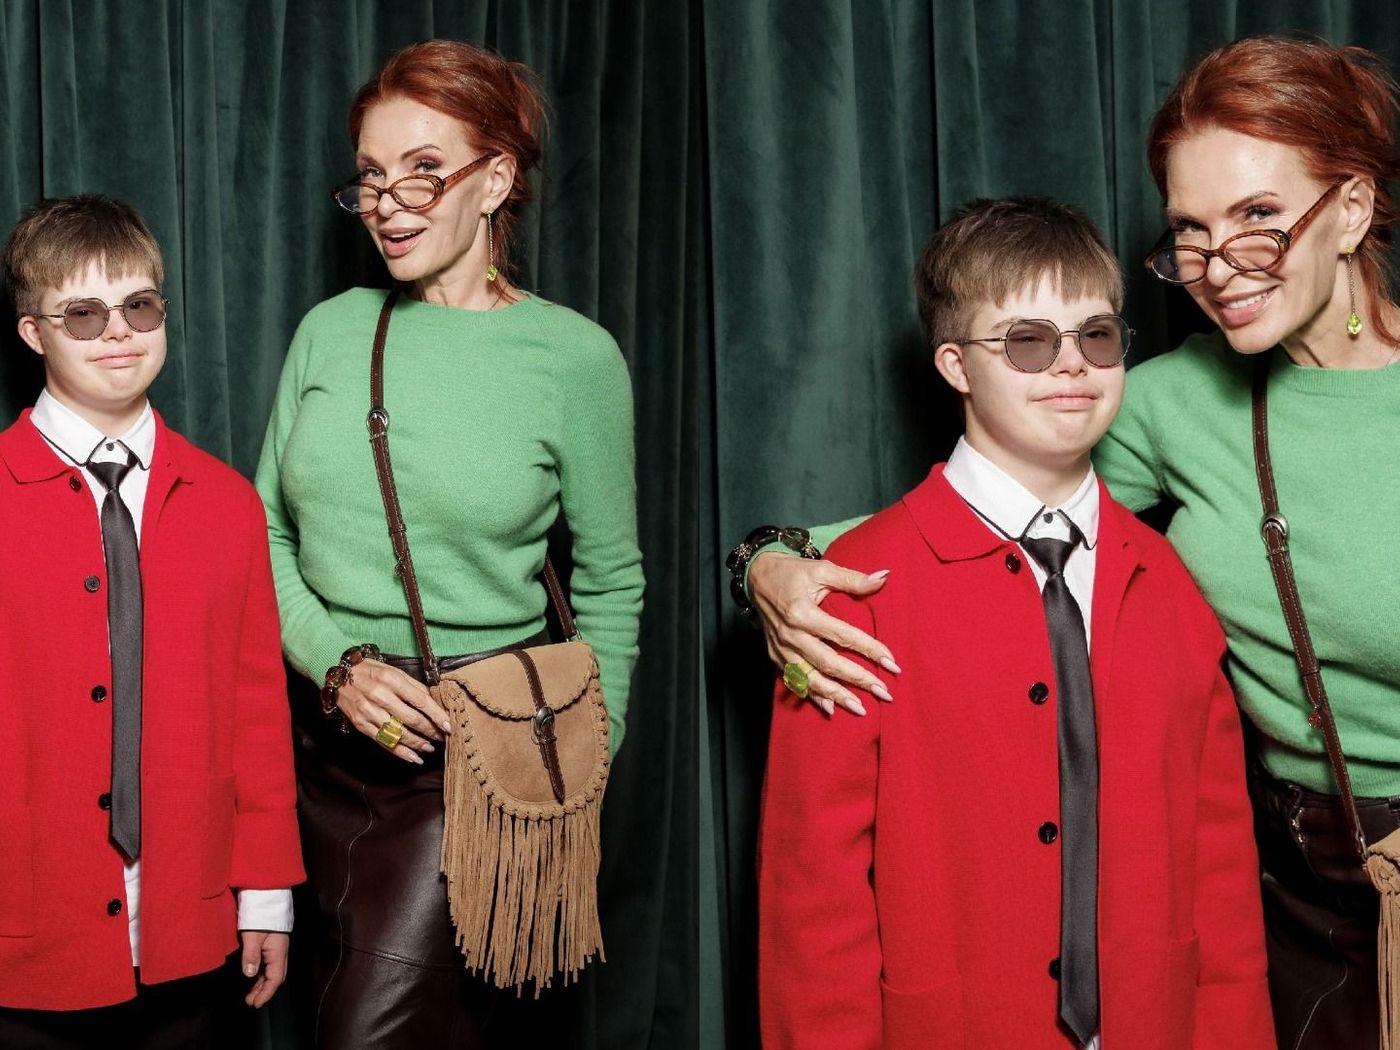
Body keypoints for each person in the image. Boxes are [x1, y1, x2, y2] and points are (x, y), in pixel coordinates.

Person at [736, 35, 1400, 1050]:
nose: (1217, 266)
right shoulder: (1160, 398)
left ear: (1350, 209)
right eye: (1191, 230)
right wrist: (767, 564)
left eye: (1258, 216)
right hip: (1309, 889)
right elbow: (964, 516)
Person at [757, 196, 1274, 1050]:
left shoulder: (1171, 584)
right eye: (1028, 341)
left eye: (1097, 336)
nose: (1071, 364)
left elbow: (1219, 868)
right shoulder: (854, 592)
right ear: (956, 365)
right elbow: (813, 899)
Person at [254, 39, 644, 1047]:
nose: (389, 202)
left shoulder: (573, 357)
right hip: (317, 745)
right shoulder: (329, 330)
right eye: (372, 176)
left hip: (472, 754)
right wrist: (335, 664)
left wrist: (578, 764)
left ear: (496, 180)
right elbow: (264, 532)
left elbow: (611, 579)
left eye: (424, 170)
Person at [0, 195, 304, 1047]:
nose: (117, 334)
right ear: (34, 334)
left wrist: (267, 893)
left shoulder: (229, 505)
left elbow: (257, 715)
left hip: (188, 933)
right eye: (82, 314)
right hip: (25, 932)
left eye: (138, 306)